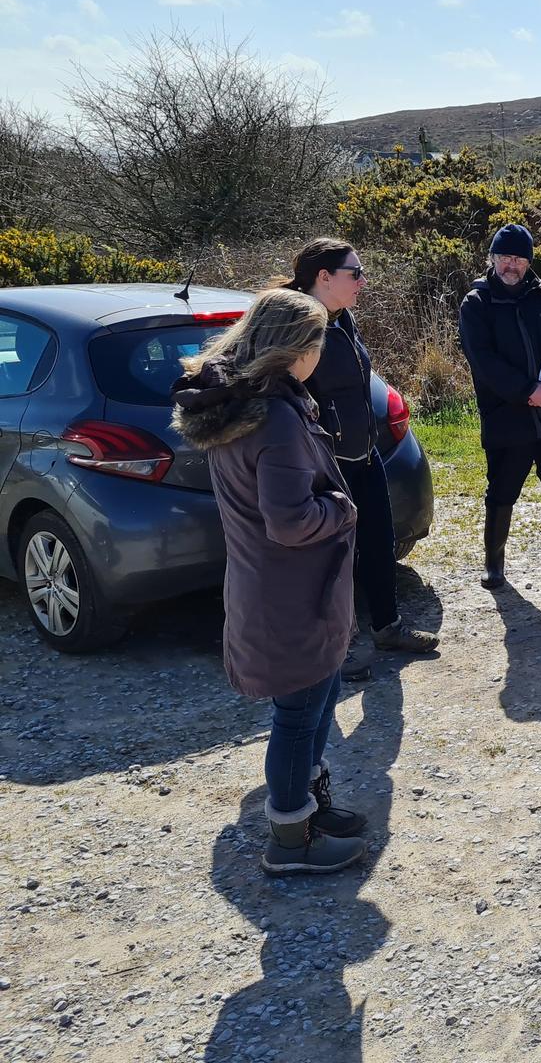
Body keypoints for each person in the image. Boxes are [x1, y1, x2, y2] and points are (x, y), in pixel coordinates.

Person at [171, 288, 368, 876]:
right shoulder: (275, 417)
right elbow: (290, 522)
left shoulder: (244, 400)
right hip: (291, 594)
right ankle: (290, 840)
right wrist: (343, 509)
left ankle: (309, 808)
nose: (322, 353)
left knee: (319, 694)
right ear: (293, 349)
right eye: (319, 341)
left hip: (281, 586)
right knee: (299, 712)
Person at [284, 237, 437, 679]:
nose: (363, 281)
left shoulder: (342, 318)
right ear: (324, 277)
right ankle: (335, 646)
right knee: (331, 558)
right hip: (324, 466)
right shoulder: (299, 326)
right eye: (355, 273)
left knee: (378, 544)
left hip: (365, 456)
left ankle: (388, 627)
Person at [458, 223, 541, 590]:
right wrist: (525, 391)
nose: (511, 265)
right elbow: (483, 360)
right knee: (502, 489)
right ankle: (494, 563)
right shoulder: (477, 303)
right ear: (492, 258)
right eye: (504, 257)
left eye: (519, 258)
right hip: (506, 416)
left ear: (529, 262)